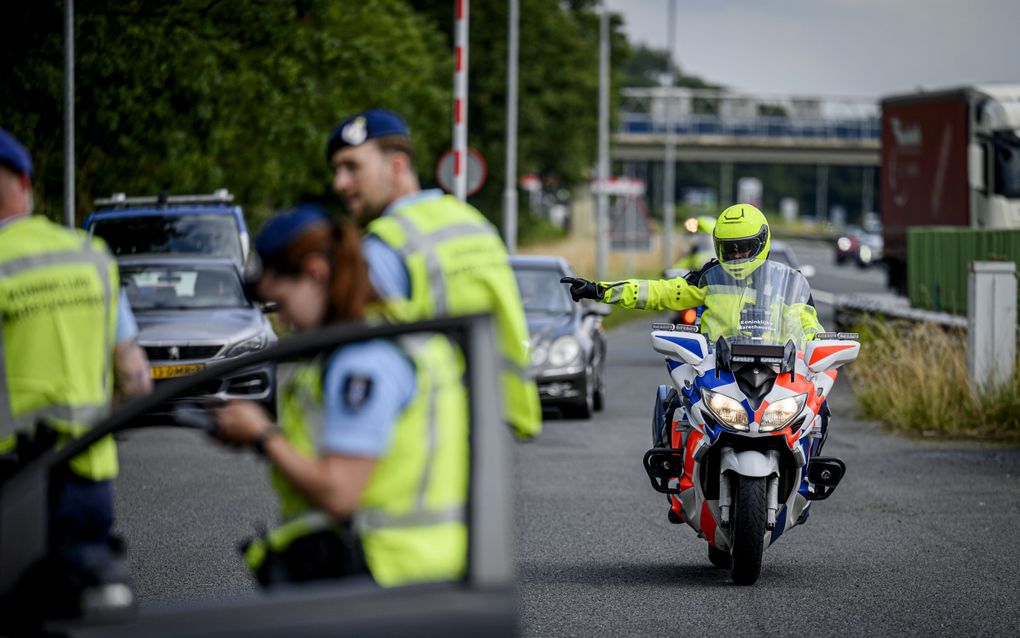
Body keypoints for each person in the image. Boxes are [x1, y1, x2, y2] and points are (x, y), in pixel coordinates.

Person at [213, 206, 469, 588]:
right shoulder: (398, 333)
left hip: (379, 575)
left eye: (280, 304)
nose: (282, 322)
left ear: (316, 272)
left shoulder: (362, 362)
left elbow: (340, 492)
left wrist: (262, 435)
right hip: (423, 571)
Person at [0, 129, 152, 616]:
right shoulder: (89, 256)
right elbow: (135, 379)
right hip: (89, 473)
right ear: (25, 181)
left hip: (11, 479)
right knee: (84, 609)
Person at [325, 109, 540, 440]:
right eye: (337, 170)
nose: (340, 183)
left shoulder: (385, 245)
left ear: (396, 166)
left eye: (352, 167)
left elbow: (364, 360)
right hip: (492, 428)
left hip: (423, 436)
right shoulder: (473, 223)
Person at [562, 204, 829, 448]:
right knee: (676, 404)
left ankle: (810, 471)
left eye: (744, 247)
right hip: (718, 368)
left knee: (817, 406)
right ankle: (674, 474)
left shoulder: (787, 286)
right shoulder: (708, 278)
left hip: (776, 370)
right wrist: (600, 290)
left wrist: (822, 347)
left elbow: (808, 324)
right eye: (729, 248)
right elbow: (660, 292)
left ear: (761, 243)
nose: (737, 255)